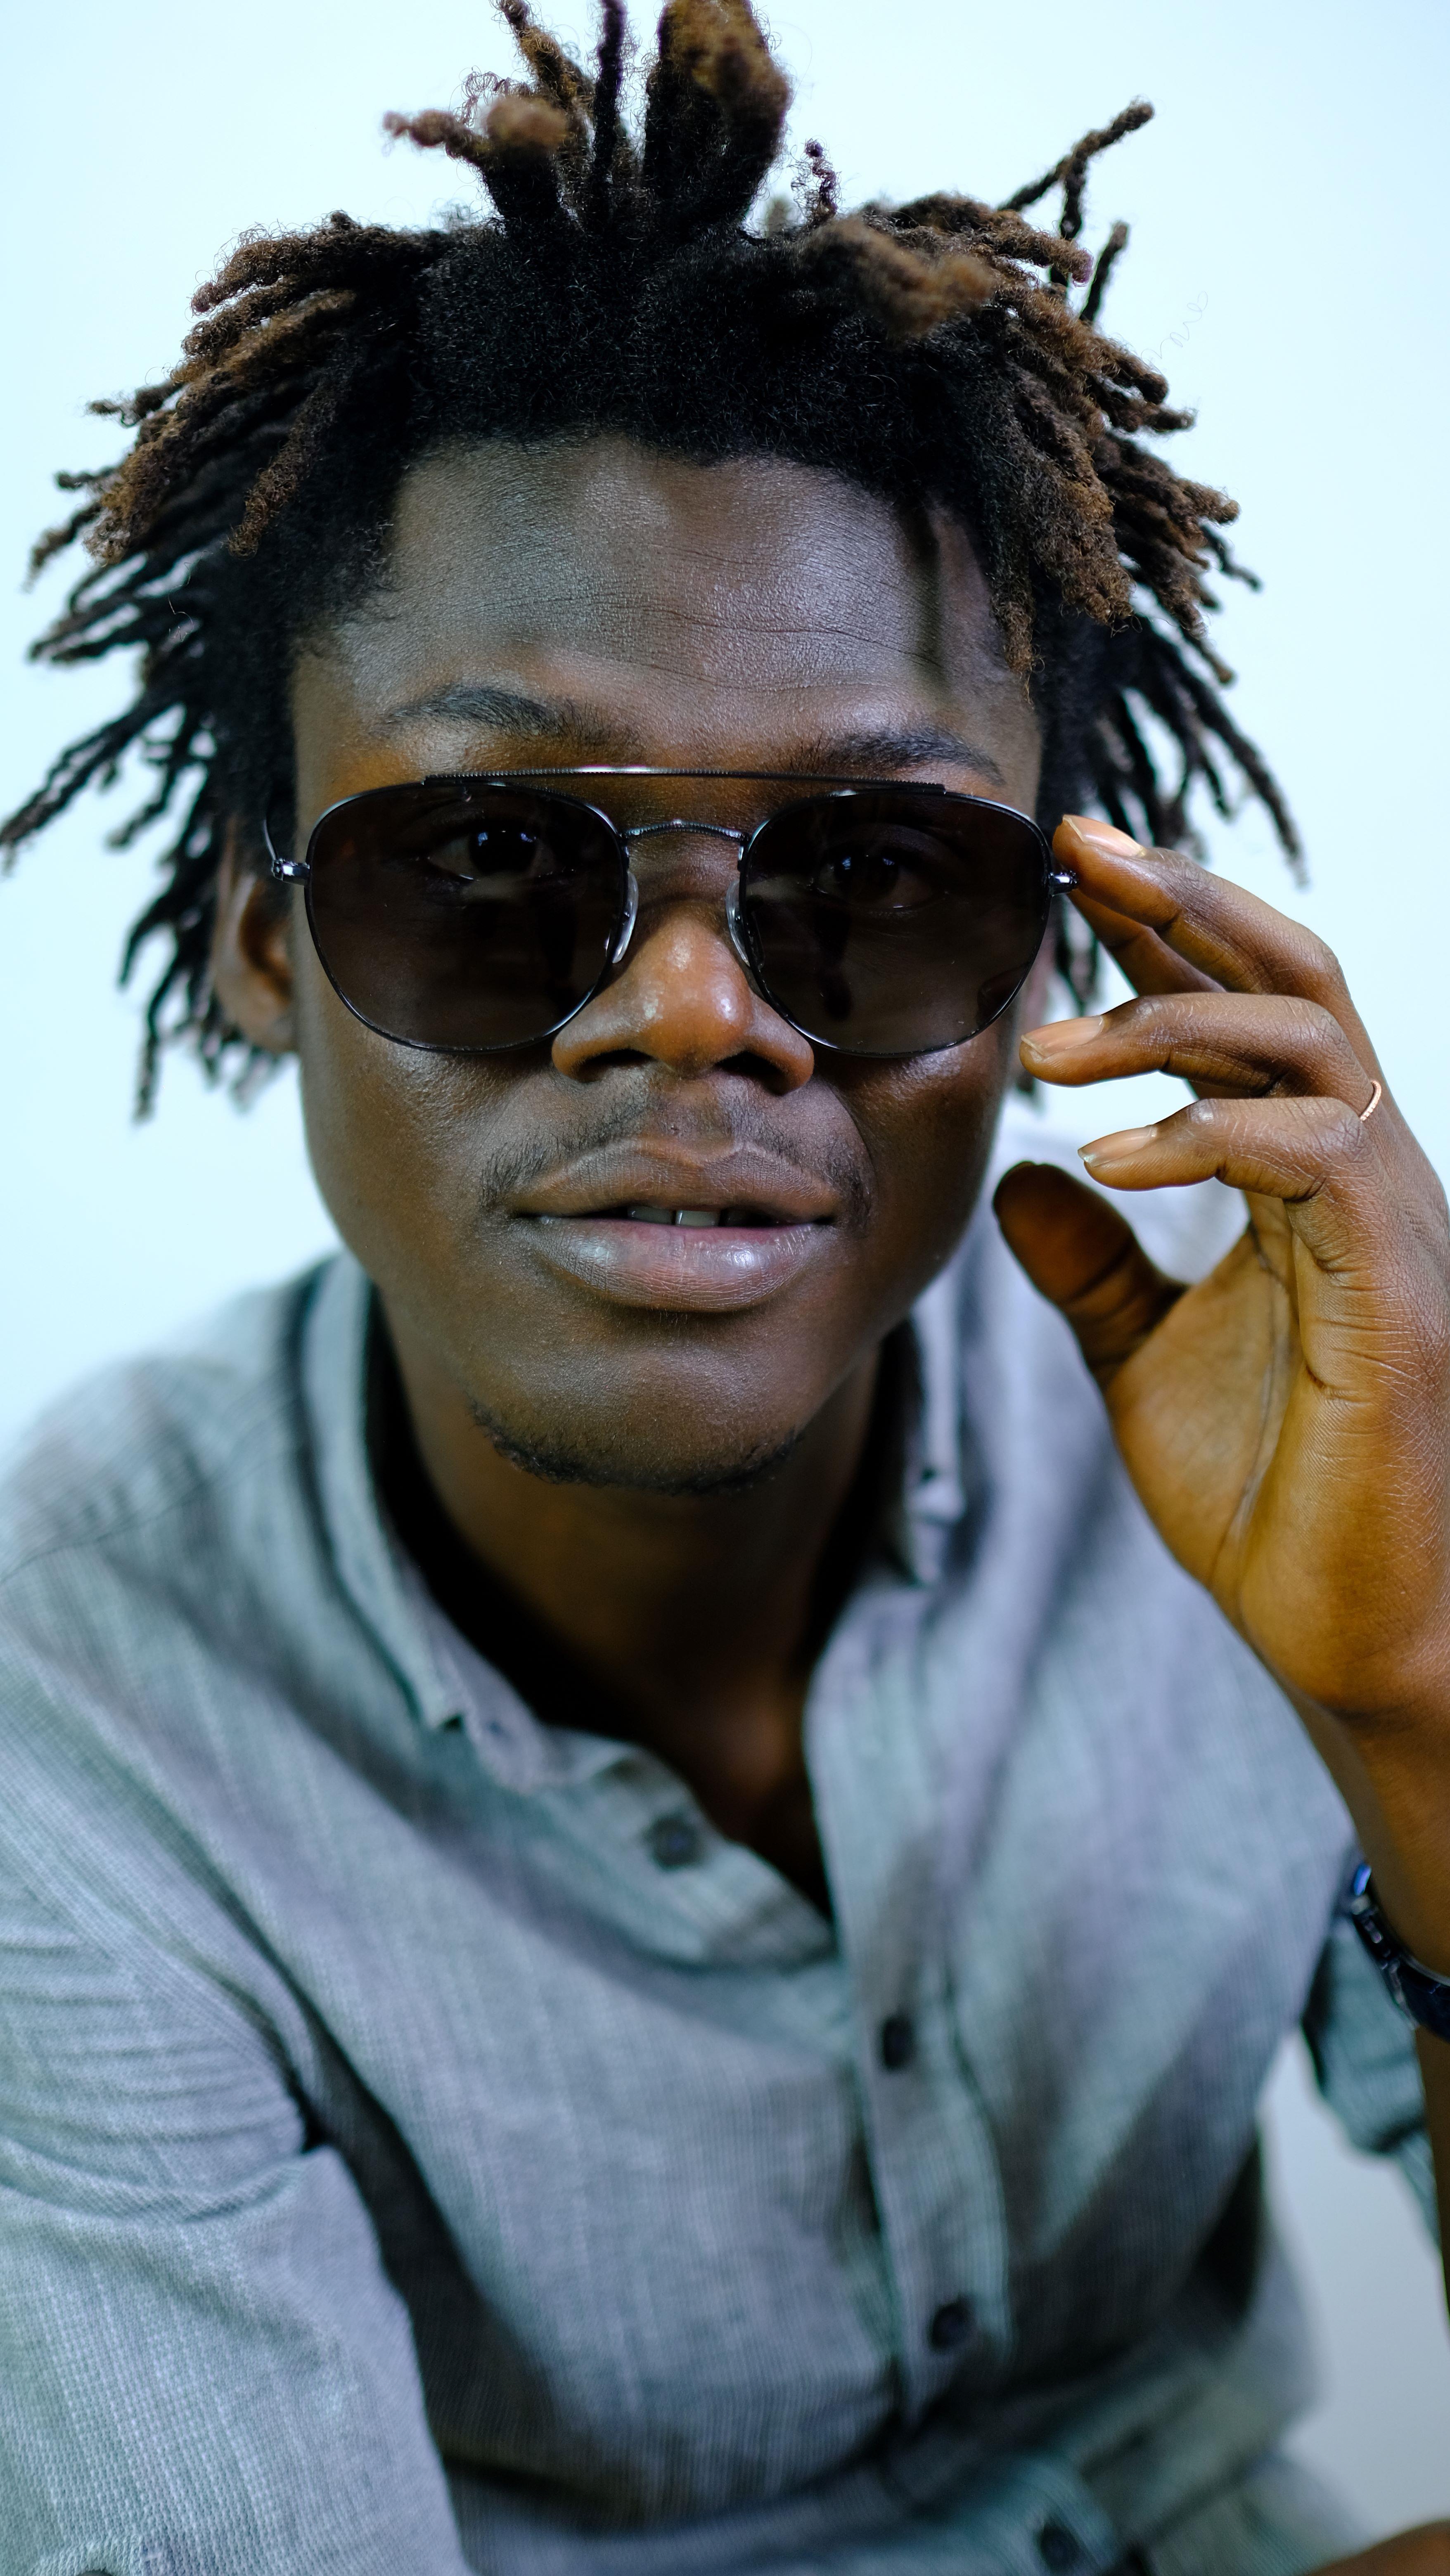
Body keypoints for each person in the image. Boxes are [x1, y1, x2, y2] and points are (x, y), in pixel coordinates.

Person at [1, 5, 1447, 2570]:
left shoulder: (1298, 1421)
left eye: (872, 873)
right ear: (259, 935)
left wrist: (1417, 1692)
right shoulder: (66, 1734)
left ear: (1050, 961)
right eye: (489, 854)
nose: (689, 1012)